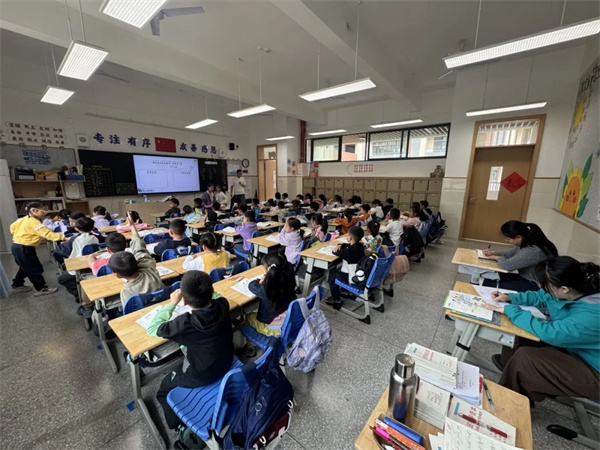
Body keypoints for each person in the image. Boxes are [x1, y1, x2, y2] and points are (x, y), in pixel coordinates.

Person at [483, 257, 599, 404]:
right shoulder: (574, 290)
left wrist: (513, 311)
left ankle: (504, 405)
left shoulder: (593, 313)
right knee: (522, 336)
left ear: (564, 289)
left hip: (594, 368)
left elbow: (551, 334)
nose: (542, 288)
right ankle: (515, 378)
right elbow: (540, 296)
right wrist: (509, 298)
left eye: (545, 286)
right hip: (577, 349)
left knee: (526, 358)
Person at [148, 271, 234, 430]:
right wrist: (206, 293)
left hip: (201, 375)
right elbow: (217, 296)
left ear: (185, 301)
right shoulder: (223, 304)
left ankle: (179, 427)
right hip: (227, 360)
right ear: (211, 292)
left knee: (163, 389)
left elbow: (152, 328)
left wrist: (172, 303)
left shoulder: (184, 323)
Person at [481, 220, 559, 291]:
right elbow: (510, 253)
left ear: (519, 237)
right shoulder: (527, 242)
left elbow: (507, 265)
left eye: (508, 239)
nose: (506, 240)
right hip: (527, 278)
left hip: (536, 285)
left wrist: (498, 257)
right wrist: (494, 253)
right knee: (490, 276)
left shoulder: (532, 250)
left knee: (489, 283)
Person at [9, 201, 65, 296]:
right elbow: (47, 234)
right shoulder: (34, 222)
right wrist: (63, 237)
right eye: (44, 211)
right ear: (33, 210)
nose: (45, 213)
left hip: (17, 246)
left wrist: (22, 235)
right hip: (24, 247)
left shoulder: (22, 219)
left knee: (25, 266)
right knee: (34, 268)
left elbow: (12, 228)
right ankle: (41, 288)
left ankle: (17, 284)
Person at [108, 212, 164, 306]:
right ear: (137, 262)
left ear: (117, 275)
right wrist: (132, 225)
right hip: (162, 305)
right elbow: (139, 247)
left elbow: (130, 311)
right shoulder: (149, 269)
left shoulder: (126, 292)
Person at [247, 253, 296, 336]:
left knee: (249, 316)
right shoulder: (287, 277)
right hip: (289, 317)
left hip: (274, 326)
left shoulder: (268, 287)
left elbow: (251, 286)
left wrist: (262, 279)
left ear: (269, 269)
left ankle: (251, 342)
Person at [58, 217, 99, 304]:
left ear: (76, 228)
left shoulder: (74, 239)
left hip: (79, 267)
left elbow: (61, 251)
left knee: (62, 279)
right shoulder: (98, 237)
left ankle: (79, 295)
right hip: (95, 264)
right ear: (93, 227)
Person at [325, 226, 366, 309]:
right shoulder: (360, 246)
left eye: (347, 234)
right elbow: (347, 245)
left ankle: (336, 299)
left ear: (350, 238)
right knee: (340, 271)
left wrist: (336, 248)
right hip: (357, 273)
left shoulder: (348, 252)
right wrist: (341, 245)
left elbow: (334, 252)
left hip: (352, 278)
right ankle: (344, 291)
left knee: (332, 277)